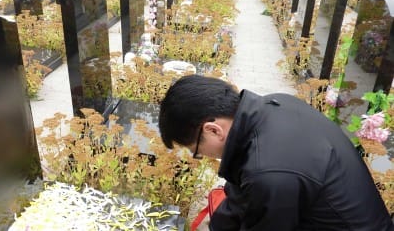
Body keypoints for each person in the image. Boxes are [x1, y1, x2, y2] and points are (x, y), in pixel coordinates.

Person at [158, 75, 393, 230]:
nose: (202, 156)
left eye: (196, 151)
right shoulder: (274, 104)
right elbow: (240, 195)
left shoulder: (268, 173)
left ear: (213, 130)